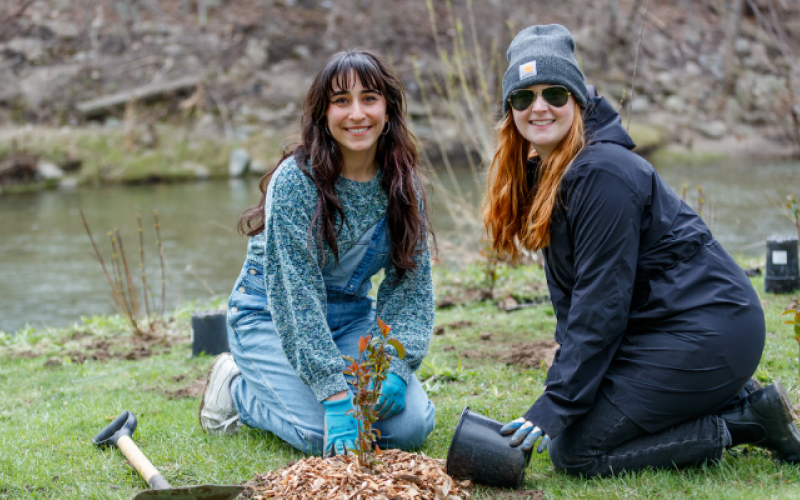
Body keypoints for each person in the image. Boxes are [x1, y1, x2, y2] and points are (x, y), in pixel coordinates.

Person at [483, 24, 800, 478]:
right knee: (580, 418)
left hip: (708, 330)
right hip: (667, 326)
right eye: (522, 97)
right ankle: (746, 397)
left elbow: (601, 301)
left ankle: (743, 422)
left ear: (577, 99)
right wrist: (567, 389)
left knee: (574, 452)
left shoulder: (601, 174)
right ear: (509, 108)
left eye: (554, 93)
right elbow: (578, 299)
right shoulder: (552, 167)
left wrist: (557, 404)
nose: (539, 107)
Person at [198, 48, 436, 457]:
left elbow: (410, 286)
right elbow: (296, 299)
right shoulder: (296, 182)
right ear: (323, 114)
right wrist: (335, 396)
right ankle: (236, 389)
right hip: (270, 317)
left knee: (409, 428)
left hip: (348, 320)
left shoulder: (402, 184)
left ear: (389, 109)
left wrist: (394, 363)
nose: (357, 114)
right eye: (341, 101)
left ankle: (302, 391)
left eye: (369, 98)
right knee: (318, 434)